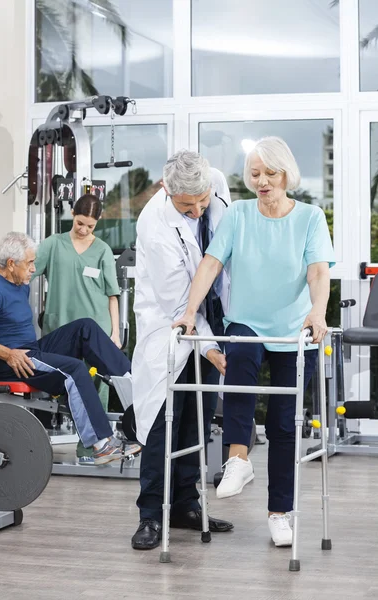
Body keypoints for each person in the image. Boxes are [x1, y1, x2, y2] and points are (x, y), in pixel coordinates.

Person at [173, 137, 335, 547]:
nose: (261, 181)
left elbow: (318, 271)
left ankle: (279, 513)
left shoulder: (311, 217)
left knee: (283, 424)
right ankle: (237, 460)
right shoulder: (240, 214)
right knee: (241, 354)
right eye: (255, 174)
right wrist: (190, 311)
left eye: (269, 173)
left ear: (286, 174)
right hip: (247, 322)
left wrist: (318, 311)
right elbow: (211, 263)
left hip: (294, 330)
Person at [0, 231, 140, 466]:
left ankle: (134, 384)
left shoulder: (16, 280)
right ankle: (101, 446)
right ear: (12, 264)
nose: (34, 269)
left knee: (84, 327)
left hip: (30, 349)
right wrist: (9, 354)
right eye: (30, 263)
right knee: (74, 369)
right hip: (11, 361)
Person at [131, 150, 234, 551]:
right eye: (185, 206)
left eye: (201, 202)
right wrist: (209, 348)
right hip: (169, 327)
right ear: (165, 190)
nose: (195, 212)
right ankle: (150, 515)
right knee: (162, 425)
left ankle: (187, 506)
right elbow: (179, 306)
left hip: (212, 315)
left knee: (198, 417)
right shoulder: (153, 225)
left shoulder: (216, 185)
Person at [33, 193, 123, 465]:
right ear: (72, 213)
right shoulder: (53, 245)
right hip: (62, 328)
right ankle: (46, 445)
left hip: (97, 327)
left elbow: (111, 295)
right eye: (80, 223)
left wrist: (115, 334)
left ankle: (93, 451)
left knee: (98, 388)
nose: (84, 230)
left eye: (90, 226)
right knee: (66, 388)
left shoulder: (103, 250)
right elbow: (24, 272)